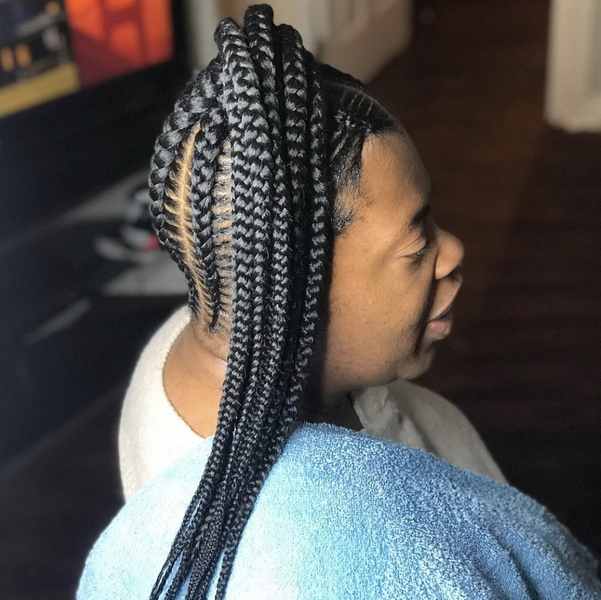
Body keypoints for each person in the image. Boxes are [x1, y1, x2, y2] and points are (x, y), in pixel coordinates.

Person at [78, 6, 601, 599]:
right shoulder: (338, 560)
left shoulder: (203, 336)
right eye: (417, 245)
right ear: (297, 290)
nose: (453, 251)